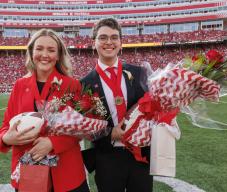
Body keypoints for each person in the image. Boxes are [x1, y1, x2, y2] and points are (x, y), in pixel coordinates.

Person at [0, 29, 90, 192]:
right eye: (39, 48)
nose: (45, 54)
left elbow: (81, 129)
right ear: (31, 51)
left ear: (58, 55)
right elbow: (6, 126)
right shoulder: (20, 85)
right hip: (29, 174)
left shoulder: (72, 85)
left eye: (51, 50)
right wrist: (6, 138)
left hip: (67, 174)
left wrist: (53, 143)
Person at [80, 18, 153, 192]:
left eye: (114, 37)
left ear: (121, 43)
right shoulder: (84, 84)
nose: (109, 42)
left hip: (140, 155)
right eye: (103, 37)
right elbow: (83, 125)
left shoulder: (140, 73)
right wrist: (109, 133)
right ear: (94, 43)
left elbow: (152, 109)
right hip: (107, 158)